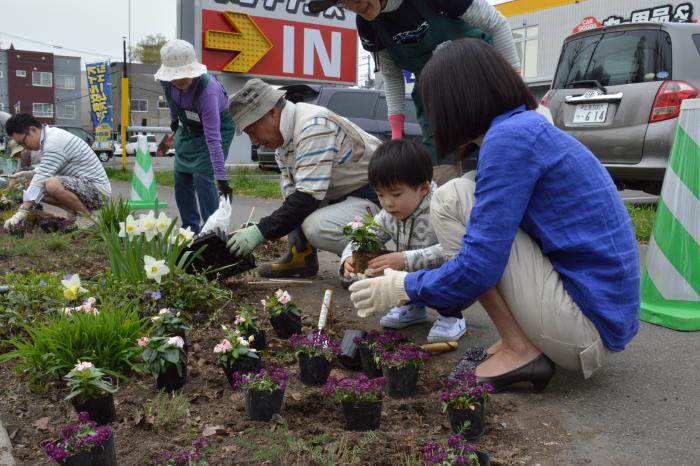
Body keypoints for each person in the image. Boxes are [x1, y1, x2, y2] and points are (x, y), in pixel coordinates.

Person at [349, 39, 640, 392]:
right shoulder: (523, 129)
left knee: (453, 199)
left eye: (432, 104)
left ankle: (520, 348)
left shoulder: (507, 141)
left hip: (584, 329)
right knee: (466, 192)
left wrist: (402, 285)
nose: (431, 117)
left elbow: (478, 267)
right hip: (601, 316)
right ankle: (517, 340)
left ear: (455, 101)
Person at [309, 0, 520, 185]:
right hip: (434, 97)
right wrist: (397, 134)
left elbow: (497, 24)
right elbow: (391, 76)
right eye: (343, 2)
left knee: (501, 148)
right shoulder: (368, 25)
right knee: (439, 166)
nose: (354, 6)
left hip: (480, 79)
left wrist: (514, 87)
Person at [226, 78, 381, 277]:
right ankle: (300, 256)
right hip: (346, 196)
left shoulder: (312, 126)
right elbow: (294, 197)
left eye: (252, 130)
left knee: (317, 226)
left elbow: (307, 199)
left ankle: (369, 263)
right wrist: (261, 227)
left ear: (272, 112)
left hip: (378, 198)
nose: (254, 140)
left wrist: (260, 231)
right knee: (298, 206)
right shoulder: (284, 142)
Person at [341, 139, 468, 342]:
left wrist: (405, 259)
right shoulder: (388, 213)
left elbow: (455, 250)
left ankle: (451, 316)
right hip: (413, 279)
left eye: (396, 194)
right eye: (380, 194)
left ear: (423, 188)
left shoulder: (442, 207)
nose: (388, 203)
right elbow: (367, 236)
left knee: (420, 267)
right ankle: (412, 306)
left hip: (450, 278)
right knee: (378, 257)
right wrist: (349, 258)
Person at [155, 39, 235, 234]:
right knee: (181, 177)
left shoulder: (208, 91)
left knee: (203, 177)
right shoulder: (166, 83)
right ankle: (189, 230)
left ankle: (212, 232)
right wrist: (174, 121)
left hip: (216, 131)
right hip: (188, 128)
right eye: (176, 77)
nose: (181, 81)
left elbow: (213, 139)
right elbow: (174, 104)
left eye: (185, 75)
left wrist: (221, 178)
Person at [3, 113, 111, 230]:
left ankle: (88, 217)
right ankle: (77, 214)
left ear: (32, 130)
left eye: (23, 142)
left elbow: (42, 177)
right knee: (30, 185)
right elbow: (49, 167)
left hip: (99, 192)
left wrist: (21, 212)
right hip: (85, 187)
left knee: (51, 184)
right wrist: (30, 173)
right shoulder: (49, 137)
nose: (24, 147)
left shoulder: (54, 141)